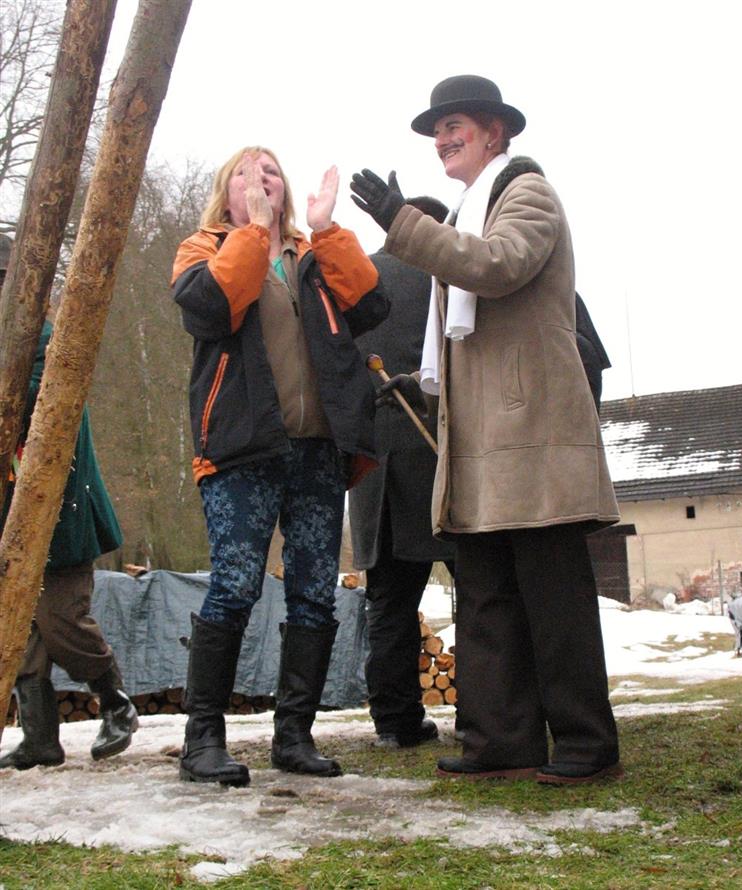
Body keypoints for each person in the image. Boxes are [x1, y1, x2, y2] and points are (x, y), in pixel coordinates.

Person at [351, 75, 622, 784]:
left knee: (553, 597)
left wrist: (403, 223)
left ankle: (586, 744)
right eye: (436, 130)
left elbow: (499, 267)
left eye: (455, 126)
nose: (442, 138)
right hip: (478, 438)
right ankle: (501, 740)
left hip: (531, 430)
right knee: (488, 598)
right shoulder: (467, 210)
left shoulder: (527, 193)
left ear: (494, 132)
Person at [172, 147, 388, 786]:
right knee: (235, 584)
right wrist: (254, 233)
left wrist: (325, 229)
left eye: (270, 172)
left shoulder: (312, 255)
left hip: (319, 449)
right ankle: (202, 741)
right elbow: (210, 308)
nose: (260, 179)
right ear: (226, 192)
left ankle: (294, 736)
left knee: (315, 592)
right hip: (242, 449)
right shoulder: (203, 248)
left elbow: (371, 306)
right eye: (245, 172)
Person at [0, 295, 138, 770]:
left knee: (61, 620)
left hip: (57, 509)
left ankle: (117, 703)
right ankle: (39, 738)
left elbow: (32, 402)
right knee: (19, 632)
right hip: (11, 514)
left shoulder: (41, 341)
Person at [349, 197, 456, 749]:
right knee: (479, 590)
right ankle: (488, 711)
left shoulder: (356, 280)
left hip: (375, 466)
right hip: (442, 453)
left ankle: (395, 723)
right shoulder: (449, 273)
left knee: (389, 601)